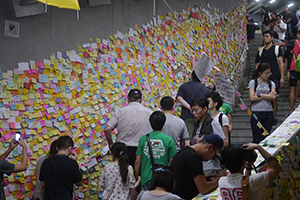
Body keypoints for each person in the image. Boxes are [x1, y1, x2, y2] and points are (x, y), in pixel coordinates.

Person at [104, 89, 152, 167]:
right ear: (141, 100)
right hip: (141, 151)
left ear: (128, 99)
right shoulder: (149, 112)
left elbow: (107, 129)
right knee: (138, 176)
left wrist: (111, 144)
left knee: (122, 175)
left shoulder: (120, 111)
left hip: (122, 150)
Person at [217, 143, 282, 200]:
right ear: (243, 162)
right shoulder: (253, 181)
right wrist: (258, 147)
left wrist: (248, 166)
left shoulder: (222, 181)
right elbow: (277, 168)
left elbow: (245, 183)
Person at [171, 134, 225, 200]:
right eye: (213, 155)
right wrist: (221, 179)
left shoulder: (183, 152)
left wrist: (204, 178)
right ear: (209, 147)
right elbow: (203, 189)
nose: (210, 158)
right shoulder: (194, 158)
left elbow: (185, 179)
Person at [134, 111, 177, 190]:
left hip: (146, 178)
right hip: (163, 179)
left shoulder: (143, 139)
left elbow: (137, 160)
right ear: (163, 123)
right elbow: (172, 162)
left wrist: (137, 177)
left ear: (150, 123)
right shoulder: (169, 140)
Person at [255, 30, 285, 124]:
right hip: (263, 78)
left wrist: (282, 77)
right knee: (264, 97)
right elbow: (257, 64)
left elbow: (281, 63)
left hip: (274, 76)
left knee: (273, 97)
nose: (265, 38)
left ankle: (273, 117)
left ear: (272, 38)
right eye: (264, 36)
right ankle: (265, 116)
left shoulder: (276, 49)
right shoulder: (261, 50)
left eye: (267, 36)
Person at [39, 136, 82, 200]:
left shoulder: (46, 162)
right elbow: (78, 183)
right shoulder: (72, 163)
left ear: (57, 148)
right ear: (70, 149)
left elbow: (42, 185)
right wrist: (75, 161)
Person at [176, 71, 210, 138]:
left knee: (187, 137)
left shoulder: (184, 86)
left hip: (187, 116)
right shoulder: (205, 89)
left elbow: (179, 98)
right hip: (201, 116)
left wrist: (191, 108)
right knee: (201, 136)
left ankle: (188, 148)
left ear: (191, 76)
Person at [249, 63, 277, 143]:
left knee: (266, 136)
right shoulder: (253, 82)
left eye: (269, 73)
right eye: (266, 73)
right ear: (260, 73)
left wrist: (259, 94)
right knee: (256, 137)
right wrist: (267, 95)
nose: (268, 75)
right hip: (256, 113)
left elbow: (273, 97)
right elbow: (252, 97)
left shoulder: (271, 83)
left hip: (268, 112)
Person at [284, 30, 300, 113]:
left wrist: (274, 44)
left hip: (294, 68)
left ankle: (291, 110)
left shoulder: (295, 42)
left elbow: (283, 44)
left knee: (292, 89)